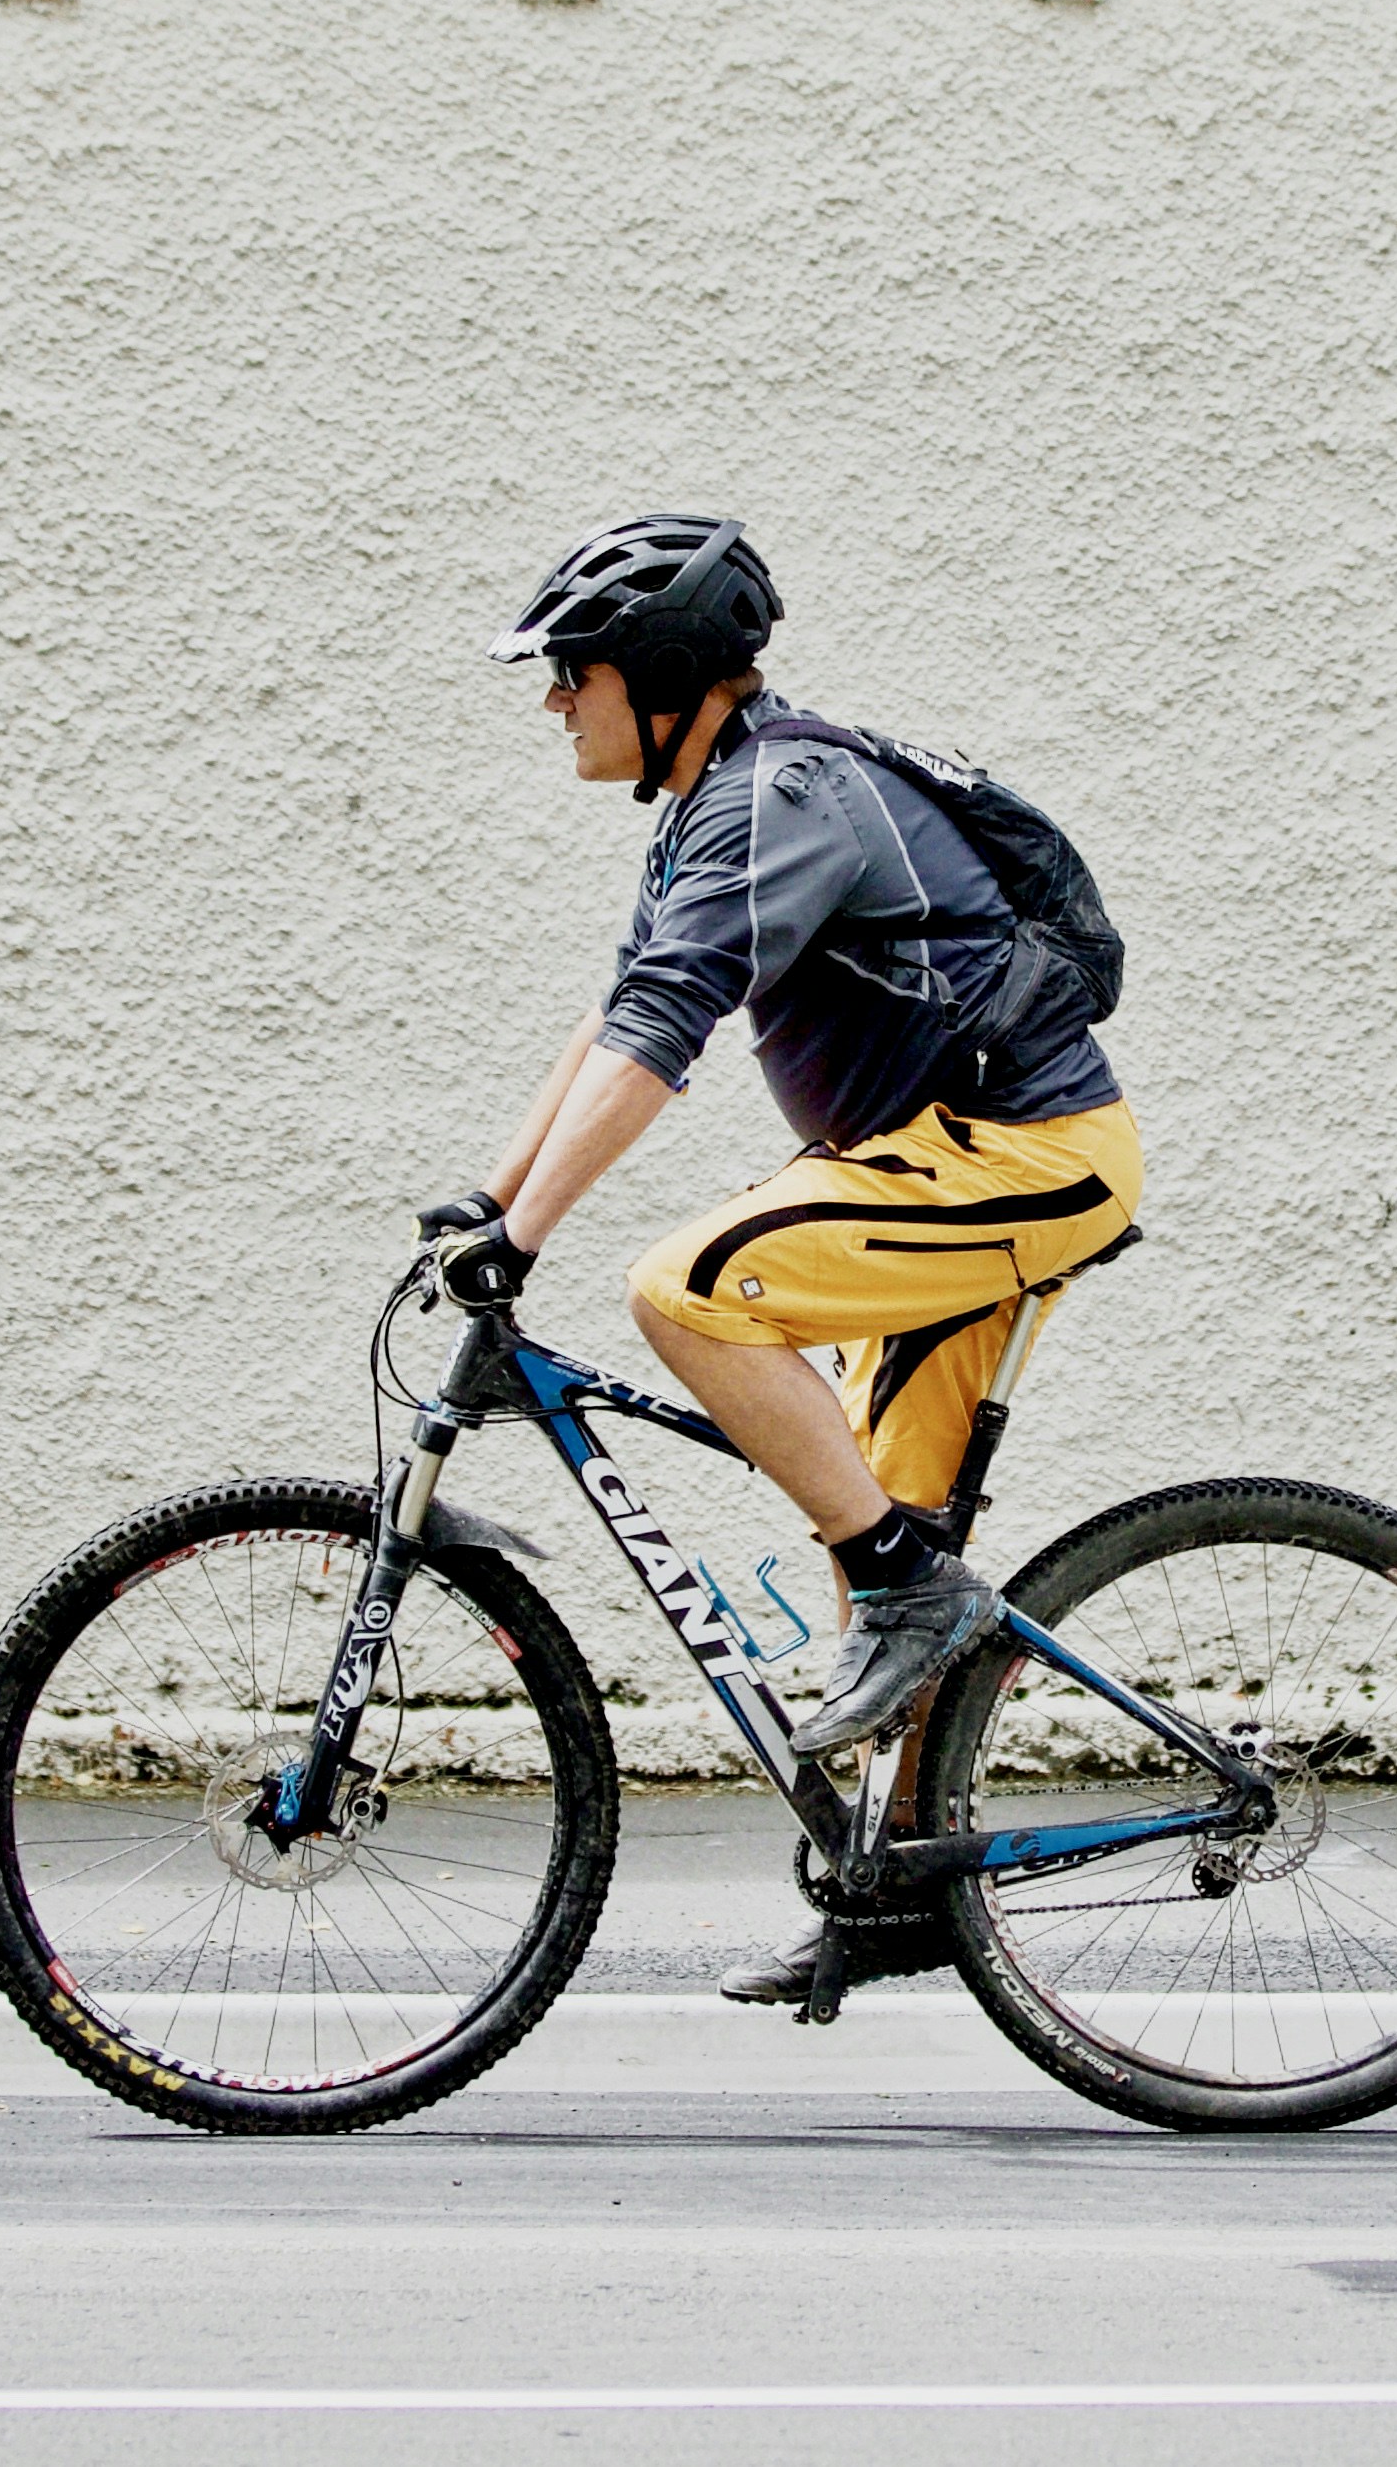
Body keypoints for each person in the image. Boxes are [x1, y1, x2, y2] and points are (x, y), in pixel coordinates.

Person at [407, 514, 1142, 2001]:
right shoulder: (713, 803)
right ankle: (901, 1886)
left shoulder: (776, 798)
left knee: (687, 1292)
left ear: (662, 674)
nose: (553, 699)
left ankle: (906, 1593)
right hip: (946, 1160)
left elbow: (664, 1031)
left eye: (573, 671)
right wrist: (493, 1197)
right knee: (884, 1522)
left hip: (1018, 1157)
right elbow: (620, 1008)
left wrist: (529, 1236)